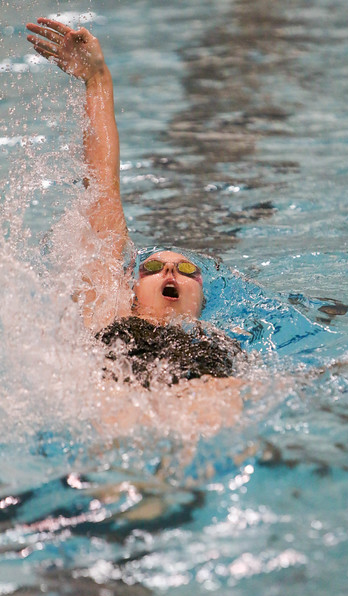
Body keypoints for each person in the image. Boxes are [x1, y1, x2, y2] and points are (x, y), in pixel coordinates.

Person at [26, 18, 245, 404]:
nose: (171, 270)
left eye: (187, 269)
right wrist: (97, 78)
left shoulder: (223, 348)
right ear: (131, 292)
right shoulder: (109, 313)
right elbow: (104, 188)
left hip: (204, 401)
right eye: (153, 267)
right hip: (115, 402)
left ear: (203, 300)